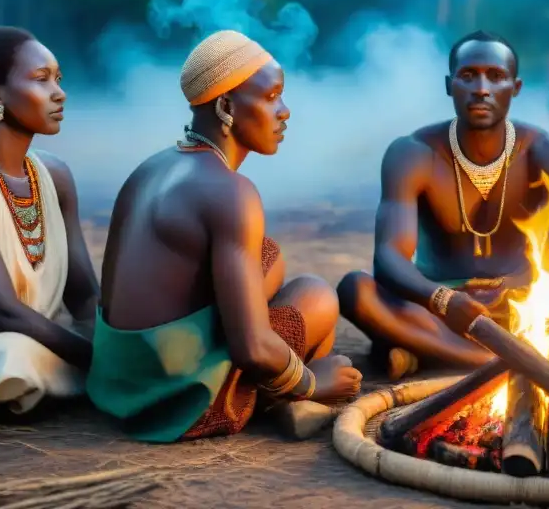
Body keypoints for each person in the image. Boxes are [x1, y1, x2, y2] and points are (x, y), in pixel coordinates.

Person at [88, 30, 361, 442]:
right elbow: (251, 348)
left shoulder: (150, 168)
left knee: (268, 256)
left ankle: (281, 393)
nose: (284, 111)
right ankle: (292, 401)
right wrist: (309, 380)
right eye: (271, 98)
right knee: (317, 296)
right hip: (178, 404)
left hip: (119, 385)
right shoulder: (231, 192)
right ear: (226, 106)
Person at [338, 29, 549, 380]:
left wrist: (516, 285)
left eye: (496, 77)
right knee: (355, 290)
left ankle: (429, 351)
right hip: (440, 305)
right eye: (468, 76)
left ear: (515, 87)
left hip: (525, 300)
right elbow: (389, 256)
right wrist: (442, 299)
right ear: (449, 84)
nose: (482, 88)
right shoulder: (412, 153)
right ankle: (499, 361)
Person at [0, 27, 99, 431]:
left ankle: (64, 380)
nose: (59, 92)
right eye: (40, 79)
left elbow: (84, 294)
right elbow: (2, 312)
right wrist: (96, 358)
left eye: (58, 79)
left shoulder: (54, 174)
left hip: (49, 338)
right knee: (12, 357)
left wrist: (111, 339)